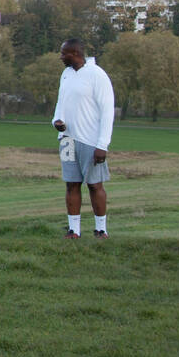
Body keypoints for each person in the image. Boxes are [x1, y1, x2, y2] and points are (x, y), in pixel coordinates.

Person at [51, 38, 114, 238]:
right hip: (67, 140)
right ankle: (74, 230)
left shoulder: (97, 75)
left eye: (64, 54)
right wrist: (57, 121)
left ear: (75, 54)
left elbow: (107, 112)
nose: (61, 57)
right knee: (71, 184)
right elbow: (61, 103)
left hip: (90, 142)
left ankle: (101, 229)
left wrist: (102, 145)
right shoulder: (66, 74)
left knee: (95, 185)